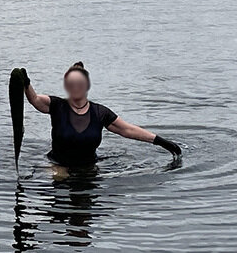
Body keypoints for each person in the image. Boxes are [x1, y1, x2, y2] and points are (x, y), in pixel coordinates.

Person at [20, 62, 181, 171]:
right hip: (58, 164)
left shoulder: (99, 113)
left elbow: (127, 130)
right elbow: (35, 100)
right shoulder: (57, 105)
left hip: (89, 166)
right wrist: (26, 83)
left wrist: (163, 143)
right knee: (62, 183)